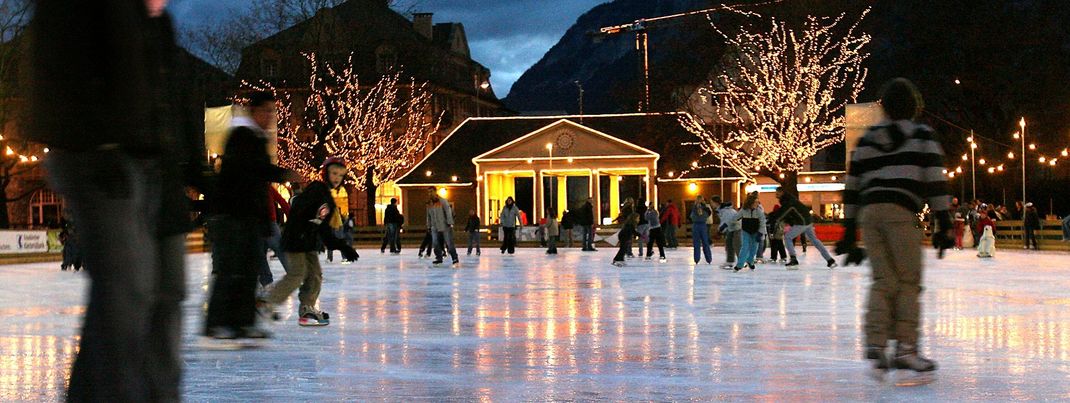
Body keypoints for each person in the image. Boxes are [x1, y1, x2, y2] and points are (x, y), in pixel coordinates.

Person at [29, 2, 212, 400]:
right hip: (97, 154)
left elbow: (169, 95)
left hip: (153, 164)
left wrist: (194, 169)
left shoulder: (157, 22)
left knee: (165, 290)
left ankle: (156, 393)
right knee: (126, 291)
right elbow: (60, 64)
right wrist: (97, 141)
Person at [840, 78, 949, 374]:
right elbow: (935, 181)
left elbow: (852, 185)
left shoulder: (867, 139)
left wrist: (849, 230)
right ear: (914, 106)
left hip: (870, 214)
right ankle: (906, 348)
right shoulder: (922, 135)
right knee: (908, 281)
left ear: (885, 108)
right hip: (901, 212)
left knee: (883, 280)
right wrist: (944, 223)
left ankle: (875, 342)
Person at [205, 92, 300, 340]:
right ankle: (215, 324)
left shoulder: (255, 138)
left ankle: (243, 323)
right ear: (254, 111)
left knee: (248, 270)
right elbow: (250, 171)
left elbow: (257, 181)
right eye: (266, 111)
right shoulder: (241, 136)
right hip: (233, 214)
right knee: (230, 270)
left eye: (273, 112)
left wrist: (265, 221)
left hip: (248, 216)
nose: (270, 117)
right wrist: (282, 174)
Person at [261, 158, 356, 327]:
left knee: (315, 276)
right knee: (297, 274)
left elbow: (323, 227)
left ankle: (307, 308)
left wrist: (342, 246)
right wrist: (303, 229)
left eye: (340, 175)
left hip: (308, 242)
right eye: (334, 173)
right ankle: (267, 302)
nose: (337, 178)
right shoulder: (316, 190)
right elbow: (299, 211)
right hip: (298, 239)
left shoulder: (326, 196)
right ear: (326, 172)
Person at [776, 188, 837, 268]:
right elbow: (791, 214)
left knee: (787, 237)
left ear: (782, 192)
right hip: (807, 221)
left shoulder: (787, 201)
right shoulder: (790, 199)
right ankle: (829, 260)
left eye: (777, 193)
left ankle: (793, 259)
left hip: (802, 222)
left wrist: (774, 218)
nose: (776, 195)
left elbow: (784, 213)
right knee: (814, 240)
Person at [259, 185, 291, 288]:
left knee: (260, 254)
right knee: (280, 251)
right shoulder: (267, 187)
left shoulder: (252, 187)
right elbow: (282, 201)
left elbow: (282, 201)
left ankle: (266, 280)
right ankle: (293, 273)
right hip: (268, 223)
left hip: (259, 225)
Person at [733, 192, 766, 272]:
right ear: (750, 202)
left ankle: (750, 261)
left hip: (756, 232)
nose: (757, 204)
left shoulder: (759, 211)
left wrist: (760, 233)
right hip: (746, 231)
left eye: (757, 202)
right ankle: (740, 264)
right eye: (755, 202)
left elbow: (762, 222)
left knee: (754, 248)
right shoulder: (743, 210)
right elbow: (736, 218)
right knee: (745, 247)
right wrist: (734, 223)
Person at [426, 188, 459, 266]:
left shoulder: (443, 201)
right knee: (435, 243)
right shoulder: (429, 204)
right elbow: (428, 215)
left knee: (449, 243)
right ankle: (438, 258)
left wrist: (450, 222)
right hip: (434, 226)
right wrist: (429, 225)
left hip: (444, 225)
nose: (430, 193)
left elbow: (448, 212)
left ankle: (455, 258)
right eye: (428, 192)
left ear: (435, 192)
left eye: (431, 192)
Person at [325, 176, 352, 263]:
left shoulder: (332, 208)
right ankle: (330, 258)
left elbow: (336, 217)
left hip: (337, 226)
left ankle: (344, 257)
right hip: (332, 226)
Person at [714, 196, 741, 270]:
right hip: (731, 228)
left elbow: (726, 222)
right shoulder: (721, 210)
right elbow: (724, 222)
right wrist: (720, 230)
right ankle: (730, 261)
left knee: (737, 245)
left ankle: (742, 261)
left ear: (715, 203)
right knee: (729, 244)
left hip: (737, 228)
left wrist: (719, 231)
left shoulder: (726, 211)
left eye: (712, 202)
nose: (711, 204)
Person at [690, 196, 714, 265]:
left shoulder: (694, 208)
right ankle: (708, 259)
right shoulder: (706, 208)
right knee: (705, 242)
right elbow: (709, 214)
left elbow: (691, 216)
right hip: (703, 225)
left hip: (696, 225)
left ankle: (696, 259)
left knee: (696, 243)